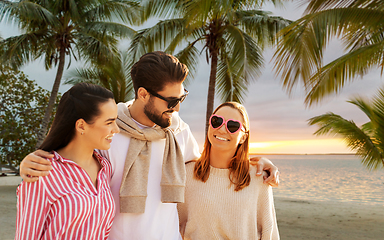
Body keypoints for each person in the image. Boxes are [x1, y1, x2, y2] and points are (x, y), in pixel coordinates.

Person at [19, 51, 279, 240]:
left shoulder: (178, 131)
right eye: (171, 100)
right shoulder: (108, 131)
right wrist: (29, 162)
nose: (177, 107)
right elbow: (68, 160)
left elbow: (210, 167)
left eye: (182, 97)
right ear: (143, 94)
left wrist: (254, 161)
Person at [15, 83, 120, 239]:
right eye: (109, 122)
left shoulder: (105, 168)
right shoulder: (43, 173)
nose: (116, 129)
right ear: (81, 126)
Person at [178, 102, 279, 240]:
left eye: (232, 126)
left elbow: (269, 233)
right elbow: (173, 227)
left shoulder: (259, 177)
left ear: (244, 136)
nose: (222, 129)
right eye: (216, 121)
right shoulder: (186, 174)